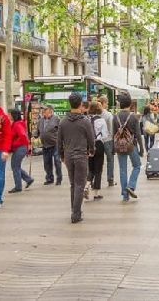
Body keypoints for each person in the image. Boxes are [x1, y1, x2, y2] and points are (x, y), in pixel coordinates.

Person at [58, 92, 95, 223]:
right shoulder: (85, 121)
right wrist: (92, 150)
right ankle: (76, 213)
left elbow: (59, 141)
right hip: (81, 155)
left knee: (73, 184)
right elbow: (91, 139)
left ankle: (74, 210)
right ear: (80, 104)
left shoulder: (63, 122)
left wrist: (61, 155)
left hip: (68, 156)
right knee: (80, 184)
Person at [112, 93, 144, 201]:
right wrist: (142, 148)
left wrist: (113, 148)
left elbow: (113, 133)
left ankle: (125, 195)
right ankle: (131, 186)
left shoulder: (115, 117)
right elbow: (138, 135)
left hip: (119, 146)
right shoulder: (134, 117)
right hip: (131, 145)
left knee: (122, 169)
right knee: (137, 166)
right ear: (130, 104)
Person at [7, 109, 35, 193]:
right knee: (16, 166)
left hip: (20, 148)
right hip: (20, 147)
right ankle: (28, 179)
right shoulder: (16, 124)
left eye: (9, 114)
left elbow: (22, 136)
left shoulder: (17, 124)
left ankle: (18, 186)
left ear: (13, 115)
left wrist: (15, 144)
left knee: (15, 166)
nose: (8, 116)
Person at [87, 101, 108, 200]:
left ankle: (86, 186)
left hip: (88, 146)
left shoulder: (86, 120)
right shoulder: (101, 120)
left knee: (90, 168)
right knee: (98, 169)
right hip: (99, 145)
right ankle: (96, 193)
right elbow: (105, 135)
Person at [38, 105, 62, 185]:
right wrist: (34, 135)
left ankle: (59, 178)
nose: (44, 113)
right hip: (45, 145)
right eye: (43, 112)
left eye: (46, 111)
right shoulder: (40, 120)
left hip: (55, 144)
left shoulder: (56, 119)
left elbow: (61, 130)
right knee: (46, 163)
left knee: (57, 161)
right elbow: (38, 130)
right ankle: (49, 178)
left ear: (51, 112)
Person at [98, 95, 116, 186]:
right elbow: (111, 129)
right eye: (107, 103)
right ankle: (110, 179)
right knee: (110, 160)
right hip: (108, 140)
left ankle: (97, 180)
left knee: (98, 161)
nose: (107, 104)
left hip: (98, 141)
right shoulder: (108, 114)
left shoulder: (96, 114)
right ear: (103, 103)